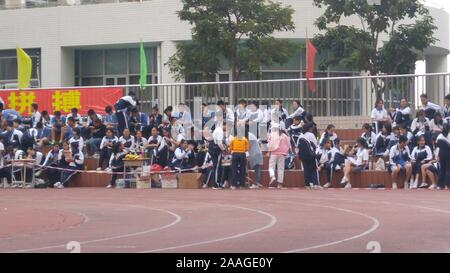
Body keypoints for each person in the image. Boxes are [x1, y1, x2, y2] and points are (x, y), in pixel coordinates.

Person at [267, 123, 290, 189]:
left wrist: (269, 152)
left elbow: (269, 145)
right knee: (281, 168)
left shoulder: (271, 135)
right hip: (282, 154)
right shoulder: (284, 136)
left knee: (271, 167)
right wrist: (286, 152)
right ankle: (280, 184)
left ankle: (272, 176)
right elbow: (288, 144)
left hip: (274, 153)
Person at [297, 123, 320, 189]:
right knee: (313, 169)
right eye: (312, 128)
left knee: (306, 170)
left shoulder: (300, 135)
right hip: (311, 155)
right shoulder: (311, 135)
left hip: (303, 156)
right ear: (309, 128)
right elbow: (315, 145)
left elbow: (297, 146)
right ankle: (315, 184)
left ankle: (307, 185)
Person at [436, 123, 450, 190]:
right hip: (447, 155)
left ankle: (440, 185)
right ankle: (447, 185)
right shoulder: (448, 136)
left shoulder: (439, 136)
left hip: (442, 154)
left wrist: (437, 156)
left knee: (443, 170)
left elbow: (437, 148)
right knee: (447, 170)